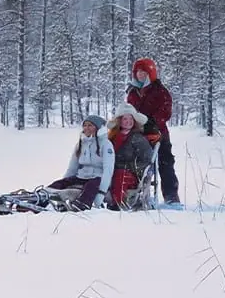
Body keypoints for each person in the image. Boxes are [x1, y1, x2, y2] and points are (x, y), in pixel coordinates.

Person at [126, 57, 180, 206]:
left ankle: (171, 196)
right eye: (138, 72)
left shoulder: (160, 91)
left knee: (165, 163)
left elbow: (166, 111)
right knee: (136, 164)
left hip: (158, 132)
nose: (140, 75)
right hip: (137, 134)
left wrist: (152, 121)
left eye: (144, 72)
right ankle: (134, 194)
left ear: (151, 73)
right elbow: (129, 110)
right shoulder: (132, 92)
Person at [46, 114, 114, 209]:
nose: (86, 128)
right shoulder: (81, 144)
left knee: (91, 185)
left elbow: (108, 170)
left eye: (90, 125)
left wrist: (101, 193)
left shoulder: (106, 144)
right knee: (58, 184)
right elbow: (72, 168)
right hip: (82, 177)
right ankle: (40, 198)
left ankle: (82, 204)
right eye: (85, 125)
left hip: (98, 178)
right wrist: (65, 183)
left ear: (98, 128)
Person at [107, 106, 157, 207]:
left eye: (131, 119)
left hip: (131, 173)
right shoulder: (112, 137)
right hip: (110, 170)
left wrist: (128, 167)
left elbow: (147, 159)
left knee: (120, 175)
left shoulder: (138, 138)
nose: (128, 121)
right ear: (119, 121)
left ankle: (117, 204)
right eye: (125, 119)